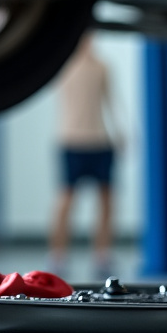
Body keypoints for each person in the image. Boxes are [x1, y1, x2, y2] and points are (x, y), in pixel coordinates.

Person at [48, 31, 122, 277]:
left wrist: (119, 132)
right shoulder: (64, 66)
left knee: (107, 201)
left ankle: (102, 255)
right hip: (72, 140)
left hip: (100, 140)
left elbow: (111, 101)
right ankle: (58, 255)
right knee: (65, 201)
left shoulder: (102, 67)